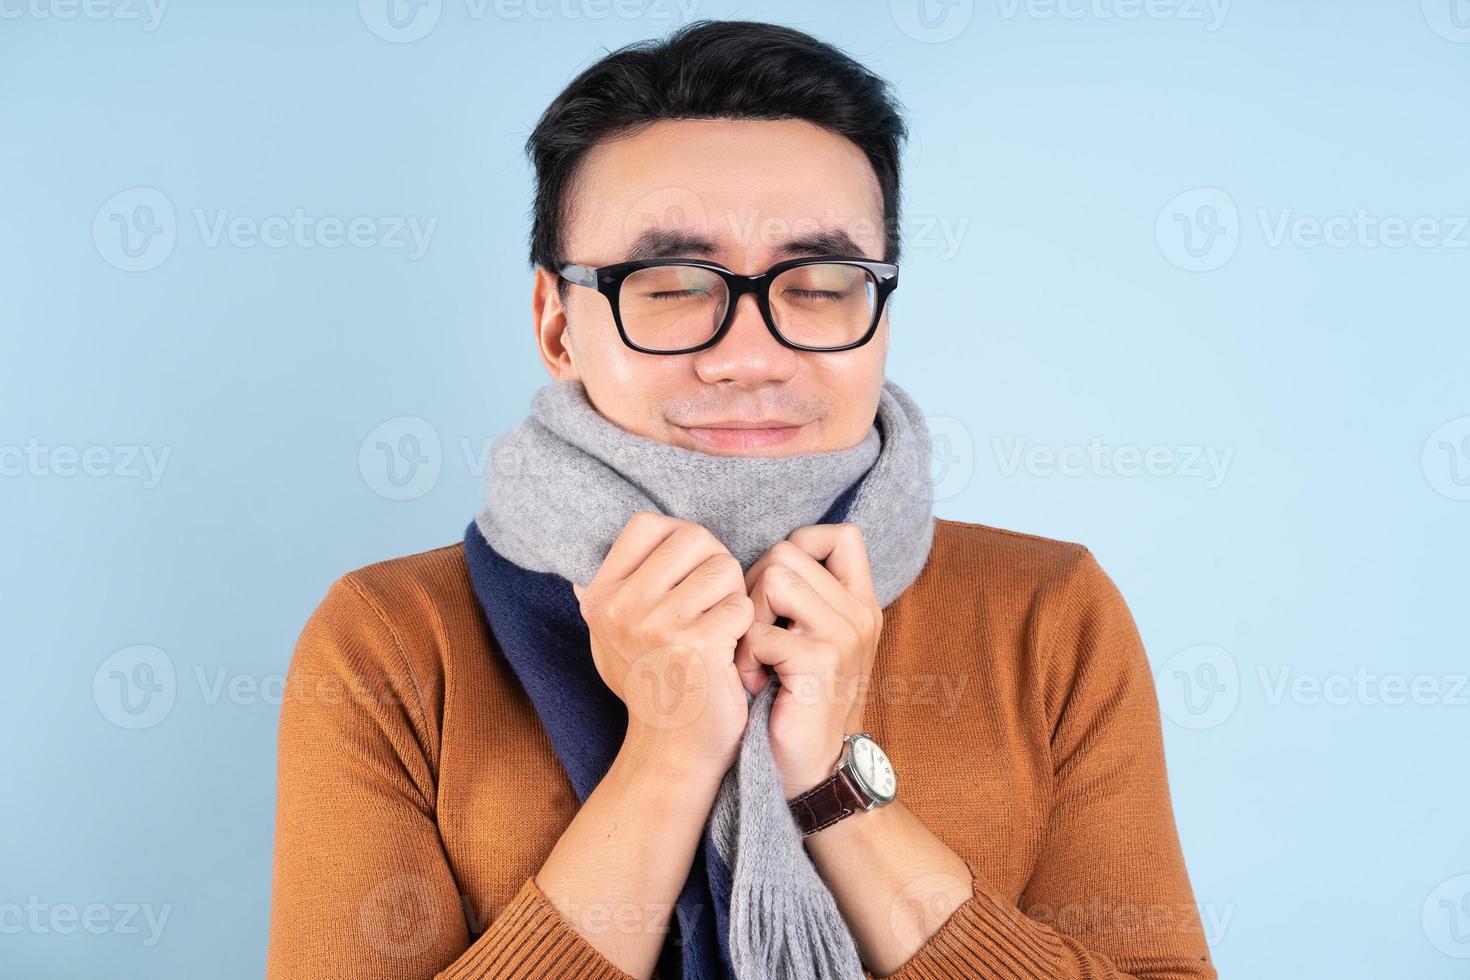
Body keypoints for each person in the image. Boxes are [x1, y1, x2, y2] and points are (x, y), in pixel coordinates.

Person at [266, 19, 1215, 980]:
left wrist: (834, 786)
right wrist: (667, 760)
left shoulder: (1046, 613)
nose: (750, 357)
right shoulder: (392, 641)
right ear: (558, 326)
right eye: (672, 284)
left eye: (818, 284)